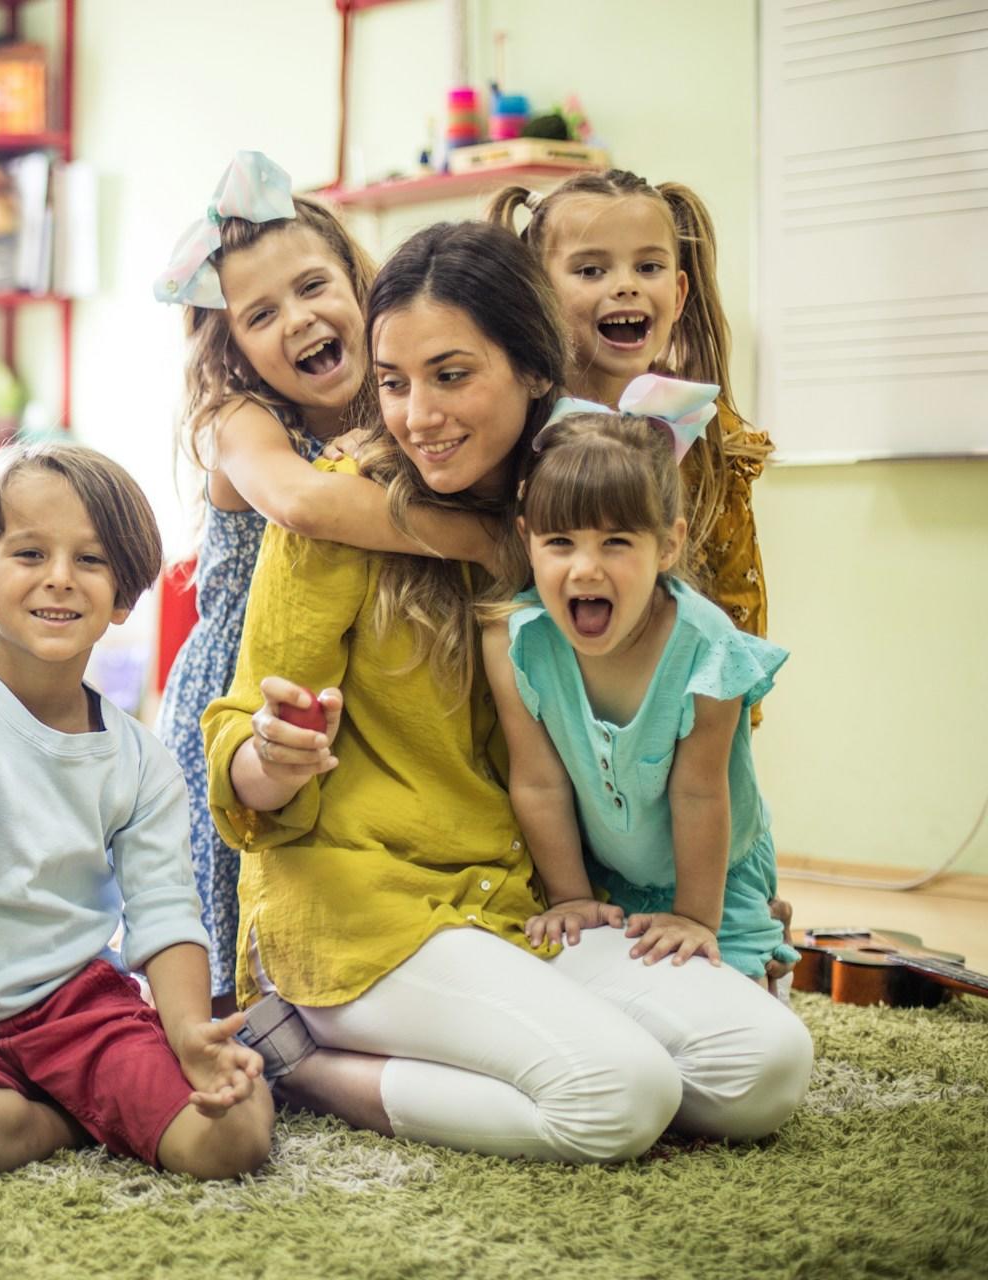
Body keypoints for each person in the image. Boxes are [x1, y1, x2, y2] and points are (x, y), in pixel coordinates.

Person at [204, 223, 812, 1163]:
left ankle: (503, 1050)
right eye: (395, 381)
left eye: (452, 376)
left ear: (534, 371)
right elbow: (243, 732)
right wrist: (268, 761)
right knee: (620, 1096)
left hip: (516, 902)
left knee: (766, 1065)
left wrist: (725, 897)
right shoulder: (340, 511)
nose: (417, 414)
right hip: (362, 903)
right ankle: (304, 1058)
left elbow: (666, 726)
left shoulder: (569, 519)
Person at [0, 441, 274, 1181]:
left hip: (82, 1015)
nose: (59, 578)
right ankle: (65, 1123)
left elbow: (167, 911)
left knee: (235, 1131)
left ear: (122, 598)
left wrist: (187, 1033)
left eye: (90, 560)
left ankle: (95, 1099)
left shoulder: (141, 760)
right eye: (28, 552)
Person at [153, 151, 498, 1012]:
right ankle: (234, 1019)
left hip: (365, 677)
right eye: (261, 313)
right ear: (230, 345)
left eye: (313, 288)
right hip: (249, 683)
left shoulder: (399, 406)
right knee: (234, 889)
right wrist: (485, 538)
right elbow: (306, 503)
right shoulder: (237, 421)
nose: (298, 319)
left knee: (347, 865)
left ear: (357, 281)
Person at [482, 389, 799, 990]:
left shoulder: (708, 648)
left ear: (668, 545)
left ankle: (763, 942)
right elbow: (539, 780)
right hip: (610, 872)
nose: (584, 568)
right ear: (527, 539)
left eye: (616, 543)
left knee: (723, 1006)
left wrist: (695, 918)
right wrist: (572, 897)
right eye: (559, 543)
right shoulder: (516, 640)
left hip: (715, 874)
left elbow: (702, 796)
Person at [486, 170, 772, 641]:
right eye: (591, 270)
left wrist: (738, 710)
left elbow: (739, 609)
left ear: (679, 295)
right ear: (538, 295)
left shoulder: (703, 431)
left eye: (648, 267)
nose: (626, 286)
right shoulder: (514, 425)